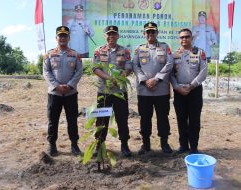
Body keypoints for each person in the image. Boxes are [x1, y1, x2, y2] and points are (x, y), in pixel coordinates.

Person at [132, 22, 173, 155]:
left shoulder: (165, 47)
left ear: (157, 33)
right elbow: (135, 66)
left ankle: (164, 143)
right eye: (148, 32)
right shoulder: (139, 49)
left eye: (153, 32)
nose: (150, 34)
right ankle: (146, 144)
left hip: (161, 89)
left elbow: (170, 63)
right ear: (144, 34)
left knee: (163, 117)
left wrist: (156, 78)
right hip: (144, 91)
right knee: (145, 117)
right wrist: (145, 80)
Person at [92, 25, 132, 157]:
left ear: (118, 36)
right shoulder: (99, 51)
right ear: (105, 36)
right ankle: (99, 145)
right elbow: (96, 68)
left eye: (114, 34)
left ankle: (124, 146)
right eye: (109, 34)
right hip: (104, 92)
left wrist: (119, 78)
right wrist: (109, 78)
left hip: (120, 91)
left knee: (122, 119)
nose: (111, 36)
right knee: (101, 120)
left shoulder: (125, 51)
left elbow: (128, 68)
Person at [43, 26, 83, 156]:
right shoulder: (49, 54)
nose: (63, 38)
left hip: (71, 93)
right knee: (53, 120)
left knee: (72, 120)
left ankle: (74, 145)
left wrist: (70, 85)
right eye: (60, 36)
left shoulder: (75, 54)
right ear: (56, 38)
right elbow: (46, 72)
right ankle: (52, 145)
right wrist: (56, 86)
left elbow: (79, 71)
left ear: (69, 38)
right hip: (54, 94)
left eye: (65, 36)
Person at [170, 28, 207, 154]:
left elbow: (203, 72)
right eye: (181, 37)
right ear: (179, 39)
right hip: (179, 92)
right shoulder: (174, 54)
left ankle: (194, 147)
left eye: (187, 37)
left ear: (192, 38)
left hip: (195, 91)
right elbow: (171, 74)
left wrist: (191, 86)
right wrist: (176, 87)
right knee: (181, 119)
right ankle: (183, 146)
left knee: (194, 120)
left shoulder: (199, 52)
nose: (184, 39)